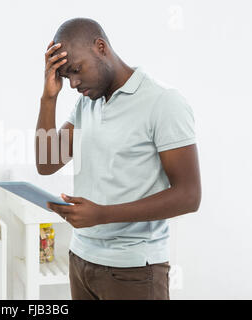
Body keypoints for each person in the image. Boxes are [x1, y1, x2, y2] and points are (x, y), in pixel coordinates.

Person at [35, 17, 201, 300]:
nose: (74, 83)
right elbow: (47, 163)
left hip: (134, 270)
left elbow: (189, 196)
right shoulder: (87, 102)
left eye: (76, 70)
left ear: (101, 47)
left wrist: (102, 215)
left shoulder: (163, 102)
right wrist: (48, 98)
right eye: (66, 77)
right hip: (81, 260)